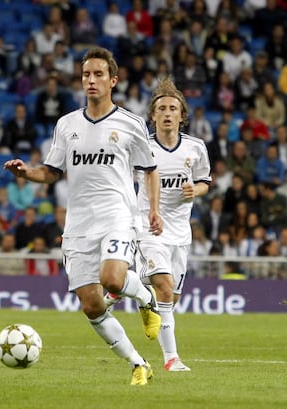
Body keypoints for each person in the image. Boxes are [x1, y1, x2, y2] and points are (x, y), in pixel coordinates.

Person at [4, 47, 163, 386]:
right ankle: (139, 364)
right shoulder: (67, 124)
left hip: (117, 215)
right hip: (78, 224)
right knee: (91, 305)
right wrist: (26, 173)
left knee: (113, 280)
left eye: (98, 74)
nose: (91, 80)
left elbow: (150, 169)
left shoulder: (131, 123)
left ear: (113, 80)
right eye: (86, 75)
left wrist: (152, 209)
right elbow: (51, 172)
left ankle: (147, 298)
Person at [106, 77, 211, 371]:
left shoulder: (196, 148)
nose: (167, 113)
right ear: (153, 115)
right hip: (148, 227)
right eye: (161, 108)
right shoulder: (141, 147)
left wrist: (196, 190)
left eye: (172, 108)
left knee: (170, 297)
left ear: (181, 115)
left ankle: (124, 285)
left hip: (181, 232)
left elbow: (205, 181)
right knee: (164, 287)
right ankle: (171, 359)